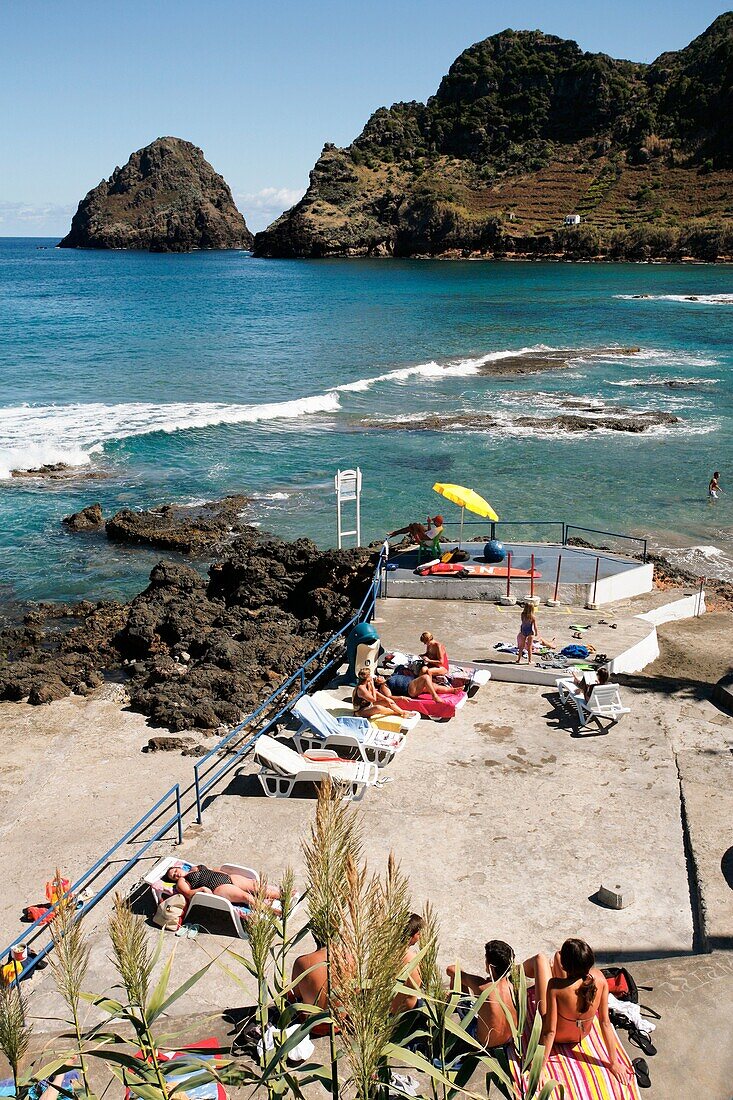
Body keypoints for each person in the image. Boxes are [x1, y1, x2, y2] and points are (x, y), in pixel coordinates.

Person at [524, 939, 632, 1085]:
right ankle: (554, 964)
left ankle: (513, 972)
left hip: (559, 1037)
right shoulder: (600, 979)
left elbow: (550, 1031)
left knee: (540, 959)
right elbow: (605, 1023)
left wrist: (540, 1066)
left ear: (565, 965)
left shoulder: (555, 986)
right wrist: (614, 1063)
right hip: (581, 1034)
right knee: (556, 956)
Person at [446, 939, 518, 1051]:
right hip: (507, 1041)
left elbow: (451, 970)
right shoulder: (512, 986)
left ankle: (450, 1005)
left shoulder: (482, 987)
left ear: (491, 967)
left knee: (459, 978)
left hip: (484, 1044)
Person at [165, 864, 280, 908]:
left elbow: (211, 869)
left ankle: (283, 896)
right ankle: (273, 911)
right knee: (246, 897)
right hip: (218, 887)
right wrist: (202, 889)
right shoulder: (182, 881)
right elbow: (188, 894)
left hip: (228, 878)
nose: (176, 874)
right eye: (173, 876)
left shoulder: (193, 868)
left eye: (175, 870)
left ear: (179, 867)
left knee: (256, 887)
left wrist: (224, 871)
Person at [391, 913, 425, 1013]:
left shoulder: (381, 952)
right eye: (418, 934)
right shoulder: (413, 961)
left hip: (379, 1007)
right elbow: (411, 999)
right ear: (411, 936)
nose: (420, 937)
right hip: (401, 1014)